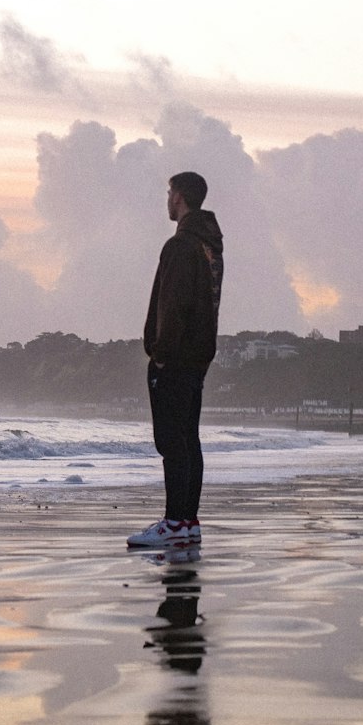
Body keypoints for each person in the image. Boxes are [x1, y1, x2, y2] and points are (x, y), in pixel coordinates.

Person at [128, 172, 223, 548]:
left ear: (180, 197)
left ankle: (173, 522)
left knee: (171, 441)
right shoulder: (209, 246)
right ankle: (186, 521)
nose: (166, 199)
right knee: (188, 440)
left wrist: (161, 355)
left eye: (169, 193)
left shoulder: (181, 245)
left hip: (178, 359)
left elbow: (174, 305)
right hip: (198, 358)